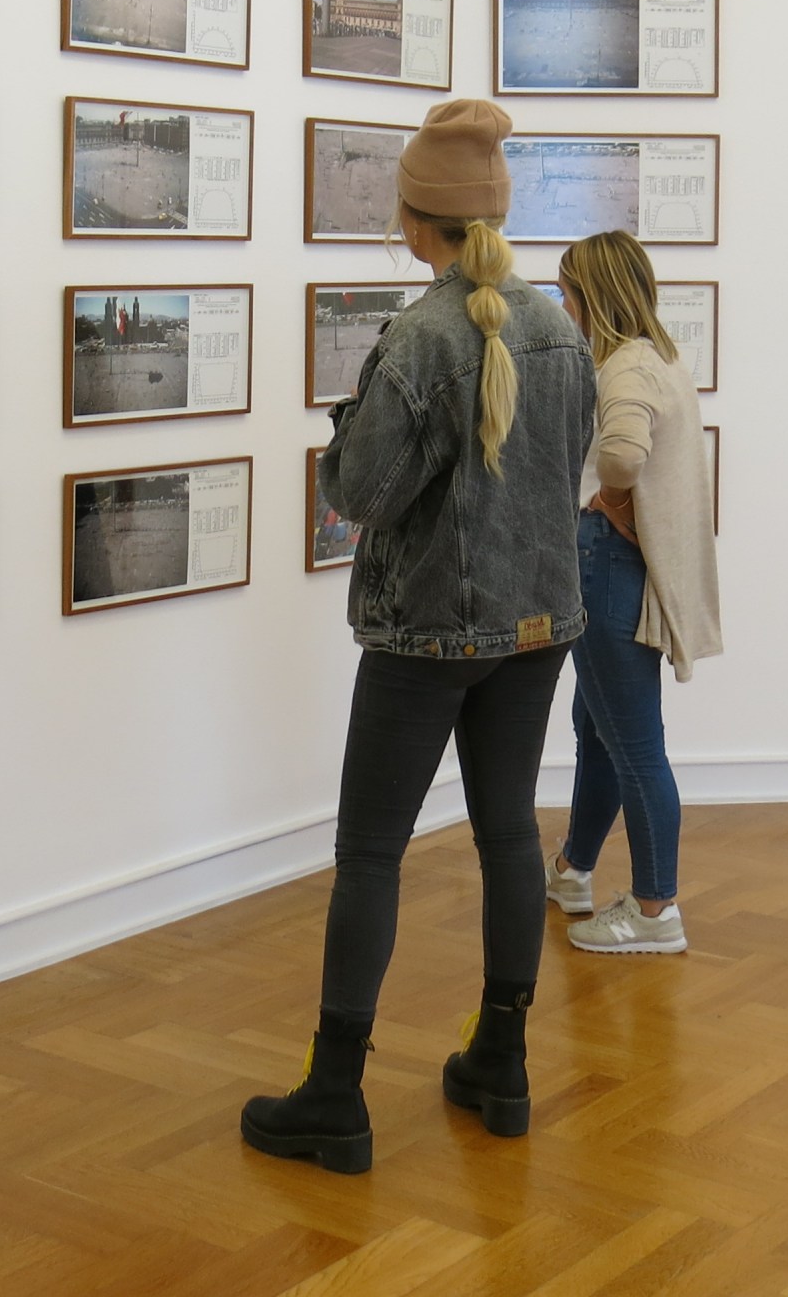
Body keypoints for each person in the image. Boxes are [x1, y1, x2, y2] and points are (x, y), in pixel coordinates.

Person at [241, 99, 595, 1174]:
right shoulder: (558, 329)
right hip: (537, 625)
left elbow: (360, 493)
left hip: (425, 635)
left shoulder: (418, 338)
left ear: (412, 221)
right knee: (507, 835)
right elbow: (566, 466)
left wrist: (343, 431)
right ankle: (501, 1063)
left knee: (369, 853)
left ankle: (335, 1094)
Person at [546, 231, 722, 956]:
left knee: (634, 745)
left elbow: (621, 455)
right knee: (598, 728)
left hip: (607, 566)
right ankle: (573, 871)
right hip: (623, 565)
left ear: (593, 297)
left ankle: (655, 911)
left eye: (567, 293)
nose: (563, 306)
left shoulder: (623, 367)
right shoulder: (660, 356)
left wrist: (608, 500)